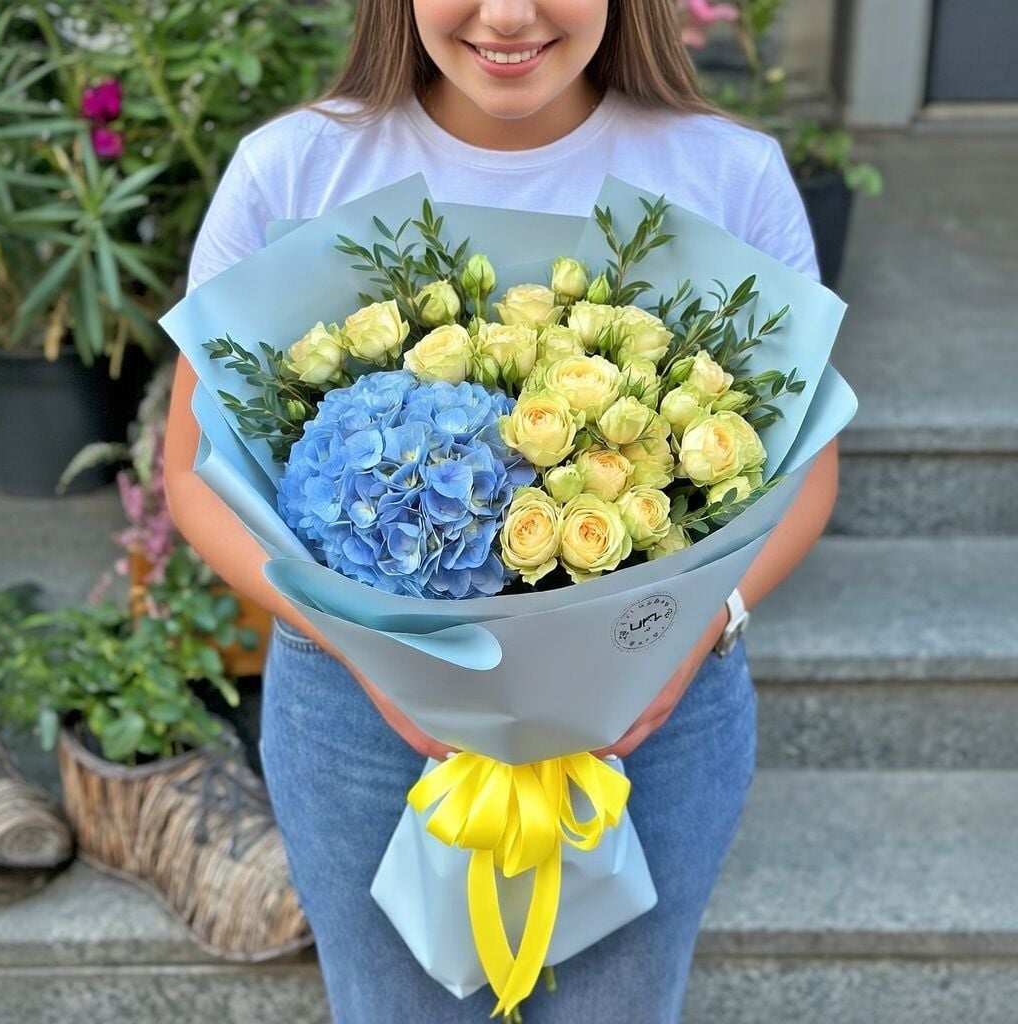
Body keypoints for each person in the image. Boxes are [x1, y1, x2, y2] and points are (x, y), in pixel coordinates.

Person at [163, 2, 839, 1020]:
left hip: (652, 710)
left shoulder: (724, 172)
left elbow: (805, 475)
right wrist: (368, 654)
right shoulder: (296, 171)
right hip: (359, 718)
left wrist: (700, 625)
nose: (509, 14)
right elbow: (190, 471)